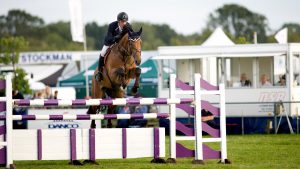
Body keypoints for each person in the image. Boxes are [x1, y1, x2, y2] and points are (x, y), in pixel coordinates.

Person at [95, 12, 133, 81]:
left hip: (122, 45)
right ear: (118, 21)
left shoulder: (128, 26)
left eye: (125, 21)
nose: (124, 23)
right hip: (111, 42)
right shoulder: (112, 25)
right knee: (102, 53)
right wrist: (115, 38)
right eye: (122, 21)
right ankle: (99, 72)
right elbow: (109, 37)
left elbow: (131, 36)